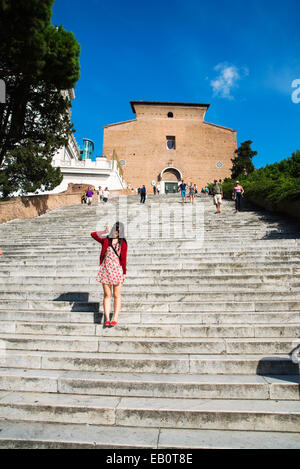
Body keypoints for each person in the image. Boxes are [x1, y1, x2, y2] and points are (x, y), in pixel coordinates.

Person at [91, 222, 127, 327]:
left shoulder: (123, 243)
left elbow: (124, 259)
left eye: (119, 230)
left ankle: (115, 317)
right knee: (107, 295)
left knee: (116, 295)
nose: (116, 231)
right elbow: (93, 234)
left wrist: (124, 273)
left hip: (117, 271)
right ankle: (107, 318)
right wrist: (104, 231)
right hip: (106, 270)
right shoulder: (106, 240)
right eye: (115, 229)